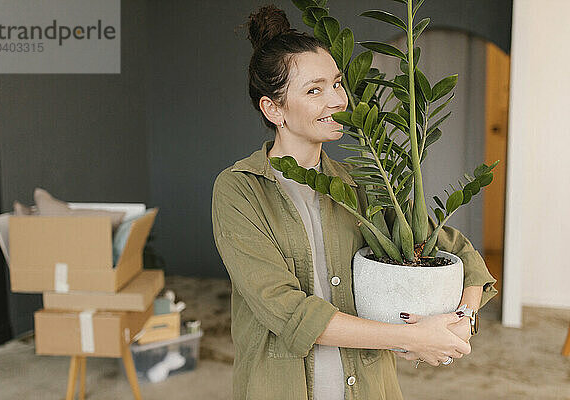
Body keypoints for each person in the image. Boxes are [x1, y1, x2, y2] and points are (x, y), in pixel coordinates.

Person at [211, 5, 498, 400]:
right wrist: (411, 338)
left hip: (367, 387)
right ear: (273, 108)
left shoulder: (362, 183)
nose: (338, 100)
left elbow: (456, 251)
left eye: (337, 83)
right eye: (314, 90)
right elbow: (287, 310)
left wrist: (463, 318)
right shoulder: (238, 190)